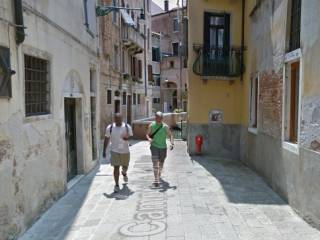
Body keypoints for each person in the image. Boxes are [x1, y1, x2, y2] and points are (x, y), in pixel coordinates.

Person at [103, 113, 133, 193]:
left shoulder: (127, 127)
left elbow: (131, 136)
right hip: (114, 150)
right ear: (114, 119)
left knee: (125, 166)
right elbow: (106, 138)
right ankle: (116, 185)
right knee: (116, 167)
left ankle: (124, 172)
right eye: (116, 119)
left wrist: (127, 138)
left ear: (122, 119)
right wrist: (104, 150)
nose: (118, 121)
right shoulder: (110, 127)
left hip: (125, 150)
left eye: (119, 119)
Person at [146, 111, 174, 187]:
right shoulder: (151, 125)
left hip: (163, 148)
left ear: (162, 118)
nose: (158, 119)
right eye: (157, 117)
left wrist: (172, 143)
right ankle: (156, 179)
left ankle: (159, 174)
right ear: (155, 117)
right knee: (155, 163)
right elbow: (147, 134)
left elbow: (171, 135)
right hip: (154, 146)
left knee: (161, 163)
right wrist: (149, 139)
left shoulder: (165, 127)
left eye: (160, 118)